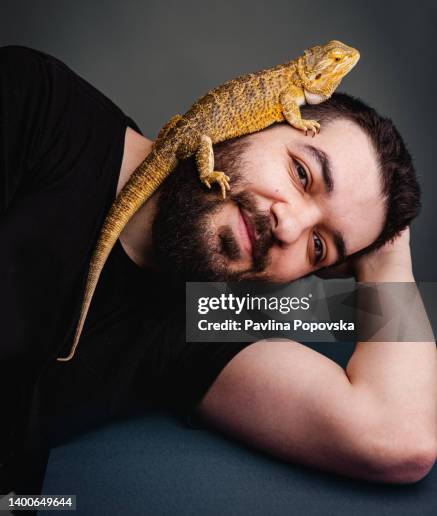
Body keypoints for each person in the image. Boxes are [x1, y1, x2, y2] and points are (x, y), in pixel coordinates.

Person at [0, 45, 435, 495]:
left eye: (319, 246)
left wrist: (388, 251)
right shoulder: (38, 105)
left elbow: (397, 438)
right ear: (261, 119)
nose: (289, 226)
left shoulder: (198, 321)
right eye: (301, 173)